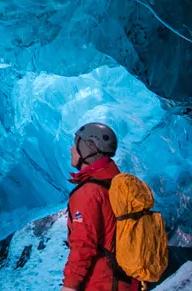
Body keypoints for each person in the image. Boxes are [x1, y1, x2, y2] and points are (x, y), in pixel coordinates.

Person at [62, 122, 138, 291]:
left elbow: (83, 245)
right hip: (127, 282)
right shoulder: (117, 184)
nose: (71, 149)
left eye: (76, 144)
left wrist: (69, 286)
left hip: (102, 283)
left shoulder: (89, 192)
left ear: (89, 148)